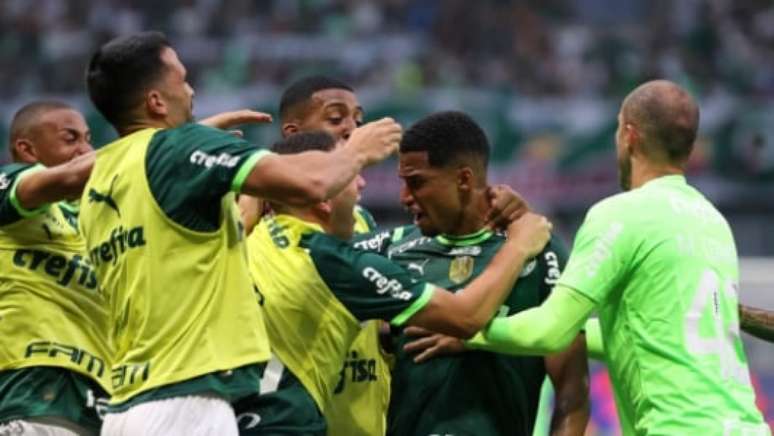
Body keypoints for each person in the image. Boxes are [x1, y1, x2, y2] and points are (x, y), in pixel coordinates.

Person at [80, 31, 401, 436]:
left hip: (125, 406)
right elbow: (313, 185)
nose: (192, 91)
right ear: (157, 102)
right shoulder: (179, 149)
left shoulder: (100, 178)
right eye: (182, 80)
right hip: (188, 400)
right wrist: (358, 151)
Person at [464, 80, 770, 435]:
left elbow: (547, 331)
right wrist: (569, 332)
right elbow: (645, 334)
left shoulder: (620, 214)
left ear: (628, 135)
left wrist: (464, 327)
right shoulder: (713, 222)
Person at [238, 129, 552, 435]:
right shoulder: (331, 260)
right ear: (324, 198)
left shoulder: (242, 237)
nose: (361, 183)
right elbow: (465, 316)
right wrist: (520, 245)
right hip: (283, 421)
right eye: (351, 174)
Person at [350, 111, 589, 435]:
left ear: (464, 179)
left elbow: (572, 394)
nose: (404, 197)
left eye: (417, 182)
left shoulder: (540, 254)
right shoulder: (389, 250)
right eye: (403, 183)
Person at [274, 75, 389, 436]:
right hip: (292, 415)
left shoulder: (364, 219)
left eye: (358, 118)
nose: (353, 129)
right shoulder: (255, 214)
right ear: (295, 135)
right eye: (336, 119)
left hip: (361, 414)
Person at [0, 101, 108, 436]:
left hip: (100, 398)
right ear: (27, 149)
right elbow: (72, 176)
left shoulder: (93, 217)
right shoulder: (10, 187)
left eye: (88, 138)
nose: (85, 149)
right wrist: (167, 147)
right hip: (34, 386)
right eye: (70, 138)